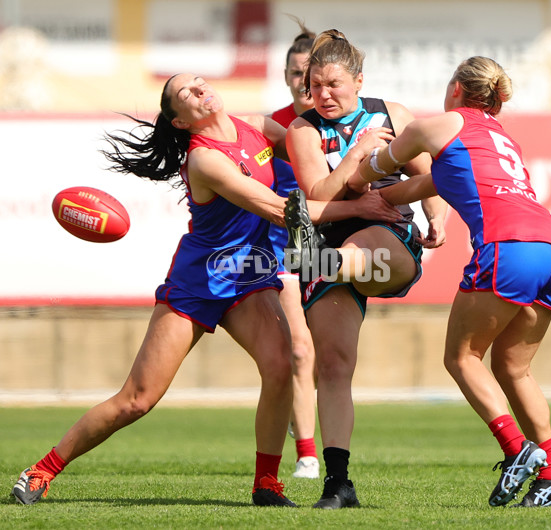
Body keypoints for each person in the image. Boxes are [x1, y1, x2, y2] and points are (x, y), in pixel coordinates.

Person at [10, 73, 403, 507]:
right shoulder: (204, 160)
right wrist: (358, 206)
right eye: (186, 93)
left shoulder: (258, 125)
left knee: (280, 366)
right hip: (201, 281)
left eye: (199, 82)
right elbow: (279, 210)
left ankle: (266, 486)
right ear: (180, 121)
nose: (200, 90)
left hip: (250, 277)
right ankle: (43, 469)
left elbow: (309, 144)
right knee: (137, 399)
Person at [347, 56, 551, 508]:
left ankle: (518, 451)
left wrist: (354, 164)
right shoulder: (499, 137)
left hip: (507, 246)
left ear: (456, 87)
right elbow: (412, 188)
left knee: (461, 357)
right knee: (514, 368)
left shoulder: (436, 126)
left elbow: (369, 173)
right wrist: (377, 201)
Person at [283, 29, 448, 509]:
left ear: (359, 79)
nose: (322, 95)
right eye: (314, 85)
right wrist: (356, 156)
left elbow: (428, 174)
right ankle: (338, 484)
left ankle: (320, 263)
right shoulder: (302, 130)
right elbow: (317, 196)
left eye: (333, 84)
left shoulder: (392, 114)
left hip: (382, 237)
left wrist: (436, 220)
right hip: (335, 232)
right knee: (334, 366)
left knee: (368, 250)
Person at [268, 21, 320, 479]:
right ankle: (307, 454)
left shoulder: (346, 124)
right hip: (281, 253)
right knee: (299, 351)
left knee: (325, 356)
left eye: (308, 70)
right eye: (292, 72)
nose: (300, 80)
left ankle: (299, 415)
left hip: (329, 252)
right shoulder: (273, 128)